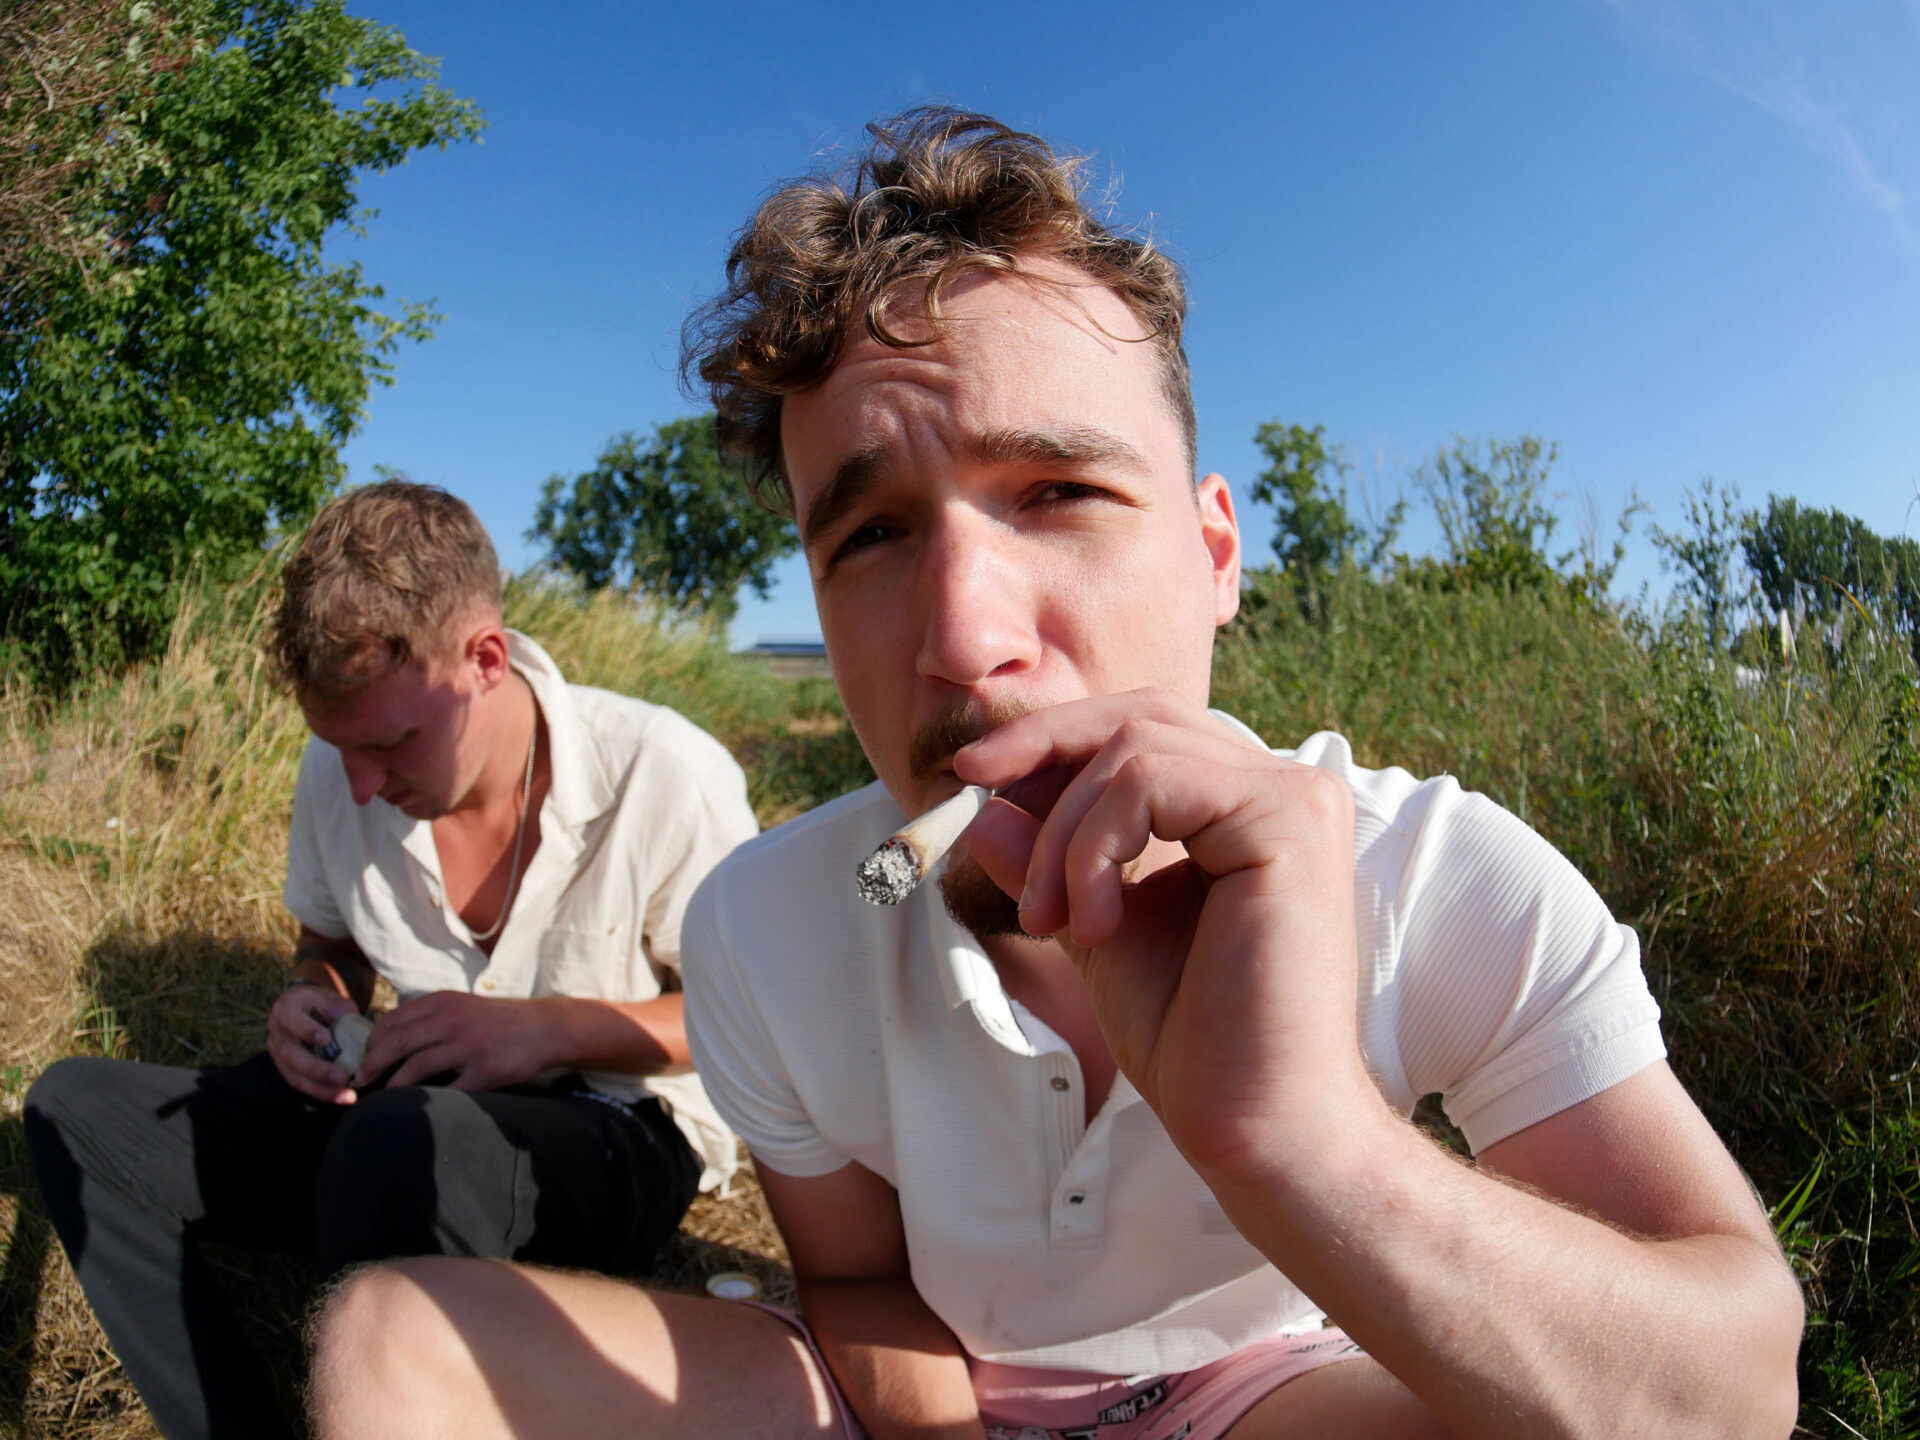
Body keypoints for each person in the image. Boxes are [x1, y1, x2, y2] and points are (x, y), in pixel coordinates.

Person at [308, 111, 1803, 1440]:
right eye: (872, 536)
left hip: (1263, 1395)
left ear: (1215, 554)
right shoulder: (770, 923)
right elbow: (857, 1282)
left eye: (1063, 491)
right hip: (928, 1395)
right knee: (396, 1340)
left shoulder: (1433, 878)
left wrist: (1311, 1148)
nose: (965, 643)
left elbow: (1734, 1399)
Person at [25, 481, 758, 1440]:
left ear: (485, 660)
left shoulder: (665, 772)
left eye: (391, 742)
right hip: (406, 1104)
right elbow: (329, 943)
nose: (363, 786)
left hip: (620, 1129)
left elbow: (753, 1024)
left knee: (394, 1146)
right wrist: (312, 997)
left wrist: (542, 1032)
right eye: (339, 748)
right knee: (74, 1107)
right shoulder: (342, 771)